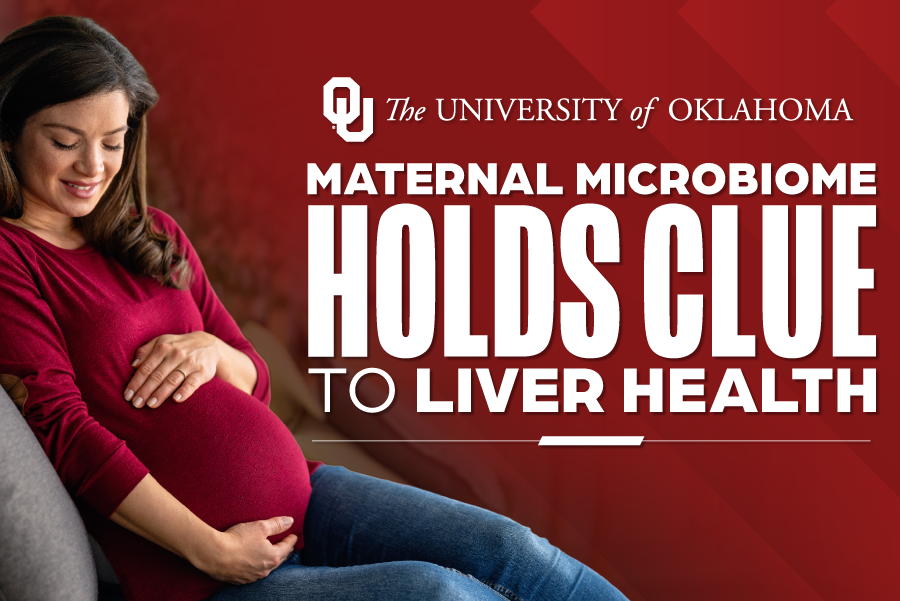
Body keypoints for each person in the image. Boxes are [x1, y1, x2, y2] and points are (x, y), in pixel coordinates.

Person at [0, 15, 629, 601]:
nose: (94, 166)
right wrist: (213, 550)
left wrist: (217, 353)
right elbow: (66, 435)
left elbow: (256, 378)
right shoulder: (11, 256)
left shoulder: (152, 234)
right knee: (437, 593)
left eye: (113, 142)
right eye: (65, 141)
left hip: (310, 493)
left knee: (514, 550)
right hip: (209, 575)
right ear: (9, 130)